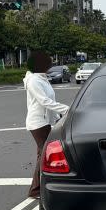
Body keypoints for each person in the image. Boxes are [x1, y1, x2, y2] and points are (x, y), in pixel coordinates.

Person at [24, 51, 69, 199]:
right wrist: (67, 109)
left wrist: (57, 117)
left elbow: (49, 102)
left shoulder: (42, 78)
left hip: (45, 122)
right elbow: (44, 101)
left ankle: (36, 188)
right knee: (44, 156)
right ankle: (35, 190)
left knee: (41, 155)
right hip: (38, 123)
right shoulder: (34, 81)